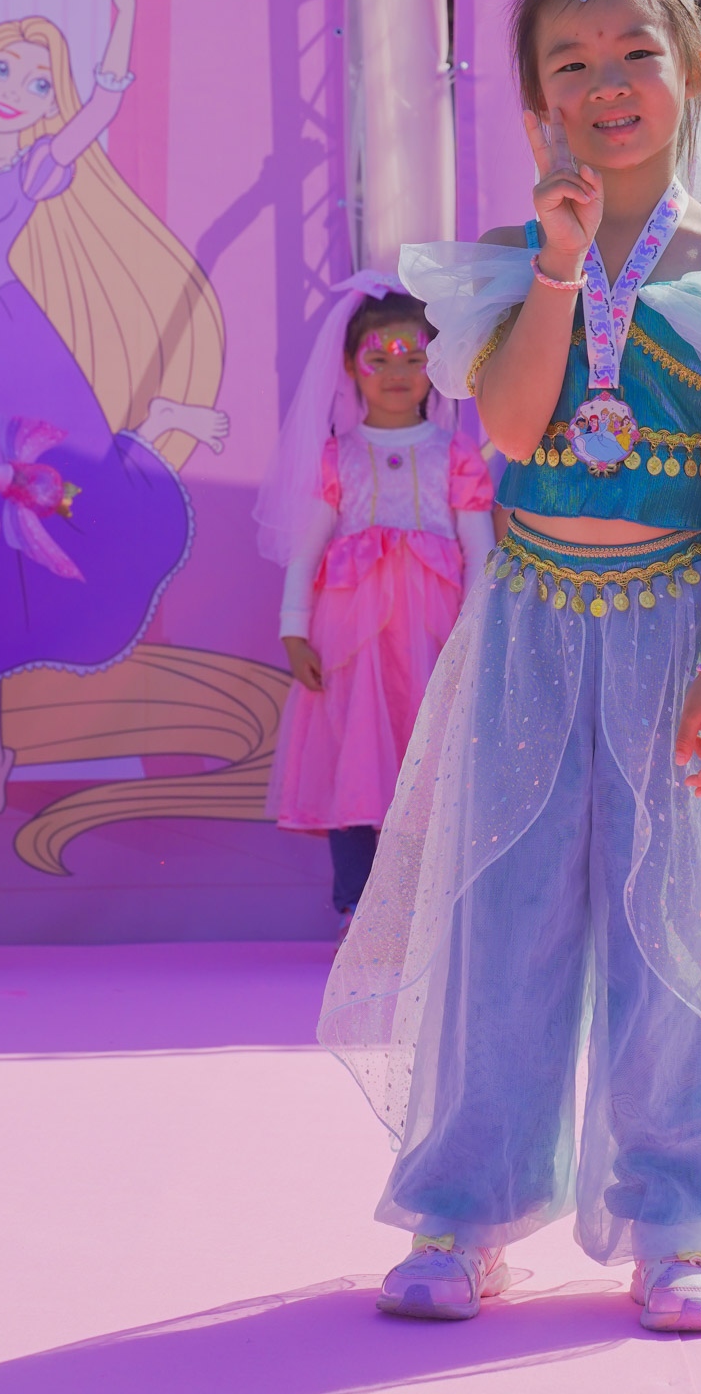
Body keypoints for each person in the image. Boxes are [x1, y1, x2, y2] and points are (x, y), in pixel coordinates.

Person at [319, 0, 701, 1333]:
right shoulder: (508, 263)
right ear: (535, 102)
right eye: (572, 62)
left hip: (679, 632)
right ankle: (466, 1208)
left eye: (636, 54)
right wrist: (560, 264)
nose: (607, 83)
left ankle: (681, 1224)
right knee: (503, 915)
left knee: (684, 920)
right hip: (532, 628)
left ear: (696, 71)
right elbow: (508, 428)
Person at [0, 0, 227, 820]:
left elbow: (101, 106)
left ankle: (154, 428)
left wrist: (124, 8)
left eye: (37, 82)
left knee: (47, 506)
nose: (16, 91)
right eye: (3, 71)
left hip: (19, 350)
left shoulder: (34, 167)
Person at [255, 276, 495, 941]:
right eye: (379, 359)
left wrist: (478, 631)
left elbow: (480, 550)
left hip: (434, 634)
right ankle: (358, 907)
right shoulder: (339, 455)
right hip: (351, 636)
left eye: (414, 358)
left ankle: (426, 908)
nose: (397, 373)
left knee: (429, 761)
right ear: (350, 365)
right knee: (356, 759)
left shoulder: (455, 453)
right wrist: (294, 630)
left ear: (435, 367)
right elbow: (305, 550)